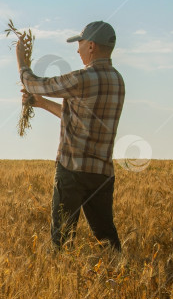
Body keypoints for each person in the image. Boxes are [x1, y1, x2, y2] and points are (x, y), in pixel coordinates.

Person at [16, 20, 125, 253]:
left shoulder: (83, 78)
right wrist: (42, 104)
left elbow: (34, 83)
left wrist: (21, 60)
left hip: (72, 169)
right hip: (102, 173)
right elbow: (79, 119)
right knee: (106, 237)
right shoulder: (118, 81)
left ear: (92, 46)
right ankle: (122, 274)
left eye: (81, 43)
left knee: (63, 240)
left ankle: (63, 279)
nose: (78, 49)